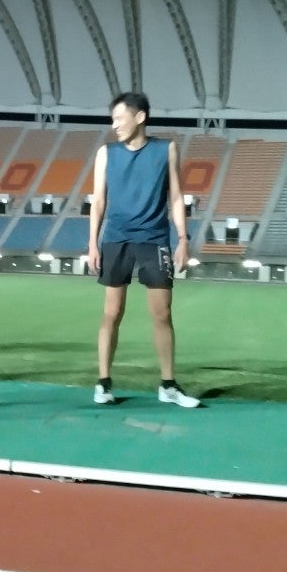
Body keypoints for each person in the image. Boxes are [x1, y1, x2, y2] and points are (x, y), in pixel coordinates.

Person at [87, 91, 200, 408]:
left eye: (119, 118)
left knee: (162, 313)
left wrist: (183, 239)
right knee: (112, 312)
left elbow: (176, 197)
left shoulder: (166, 149)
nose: (114, 125)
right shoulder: (106, 153)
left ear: (140, 117)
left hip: (154, 239)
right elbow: (98, 201)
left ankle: (168, 386)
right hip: (116, 239)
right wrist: (92, 243)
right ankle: (103, 383)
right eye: (112, 119)